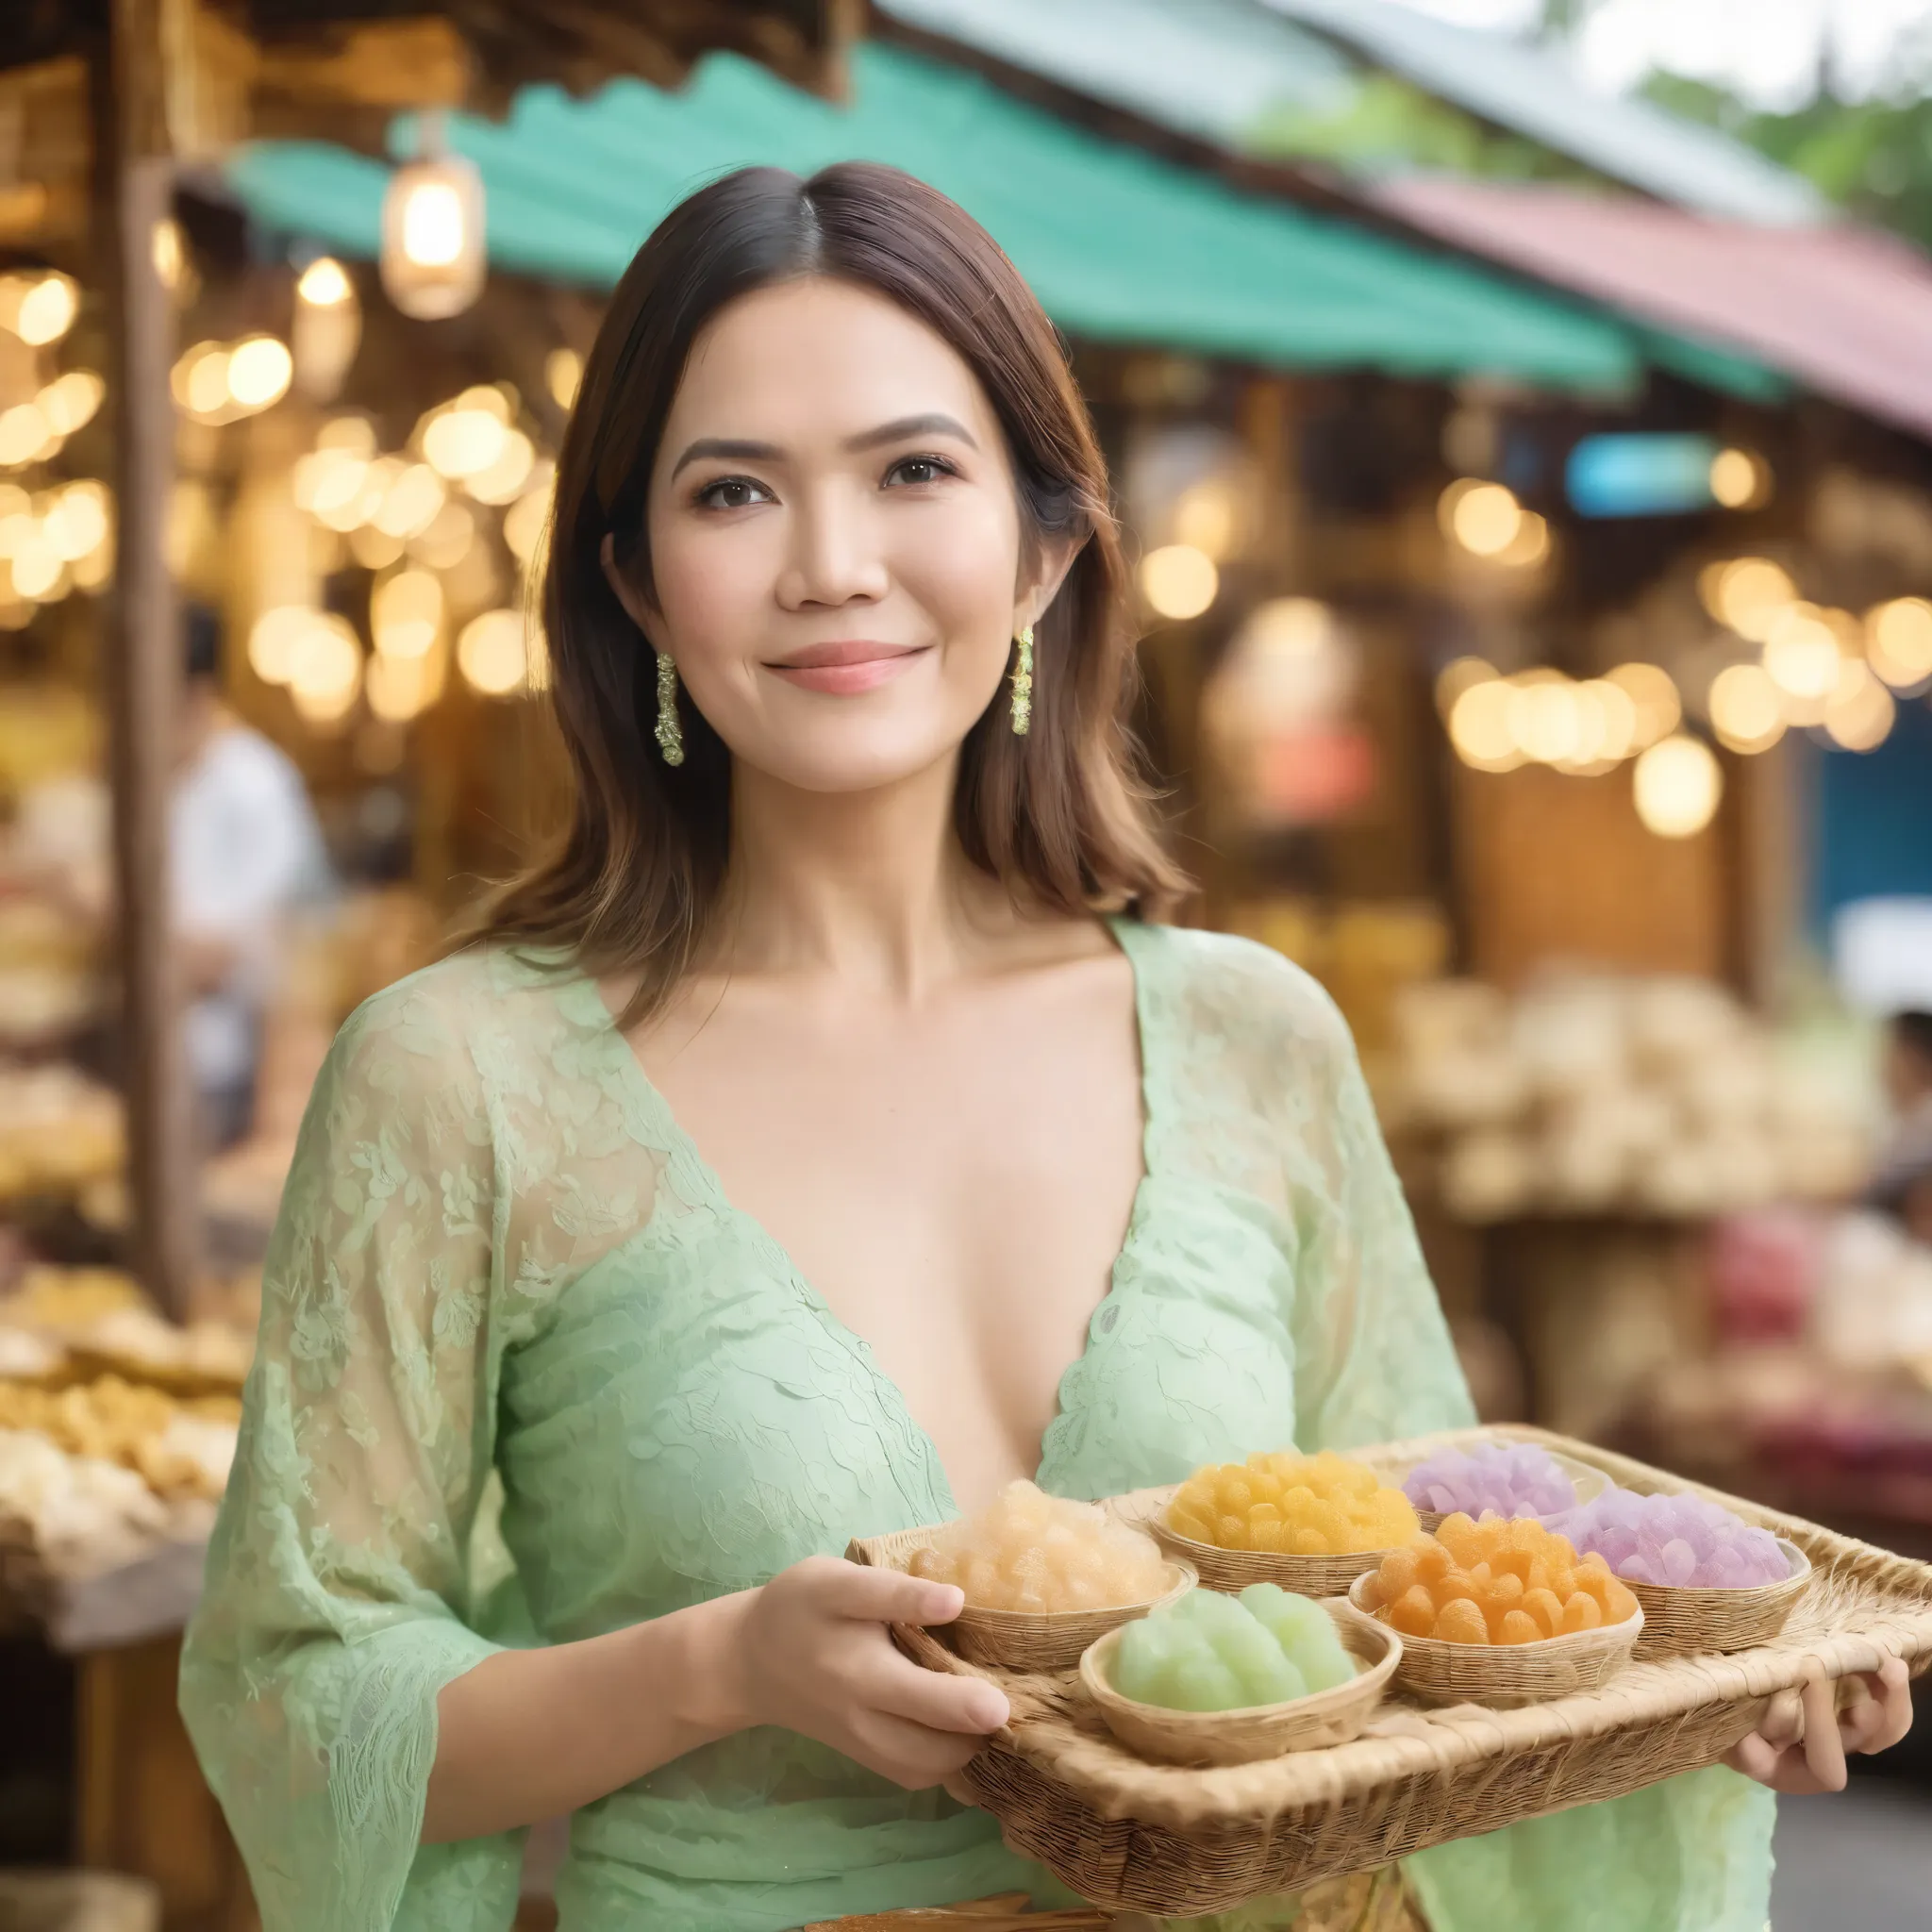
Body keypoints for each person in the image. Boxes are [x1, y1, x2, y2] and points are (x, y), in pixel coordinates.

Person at [179, 164, 1910, 1932]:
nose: (830, 564)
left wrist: (1686, 1697)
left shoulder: (1253, 1036)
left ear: (1043, 550)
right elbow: (297, 1696)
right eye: (732, 490)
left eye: (912, 470)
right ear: (631, 583)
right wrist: (718, 1664)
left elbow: (1444, 1613)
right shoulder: (457, 1072)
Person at [170, 603, 333, 1145]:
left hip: (225, 1077)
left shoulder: (254, 785)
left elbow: (221, 962)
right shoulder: (165, 781)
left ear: (194, 690)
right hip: (159, 1060)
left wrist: (95, 908)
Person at [1872, 1008, 1932, 1244]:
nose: (1880, 1064)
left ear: (1912, 1057)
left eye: (1889, 1051)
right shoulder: (1906, 1119)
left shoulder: (1924, 1124)